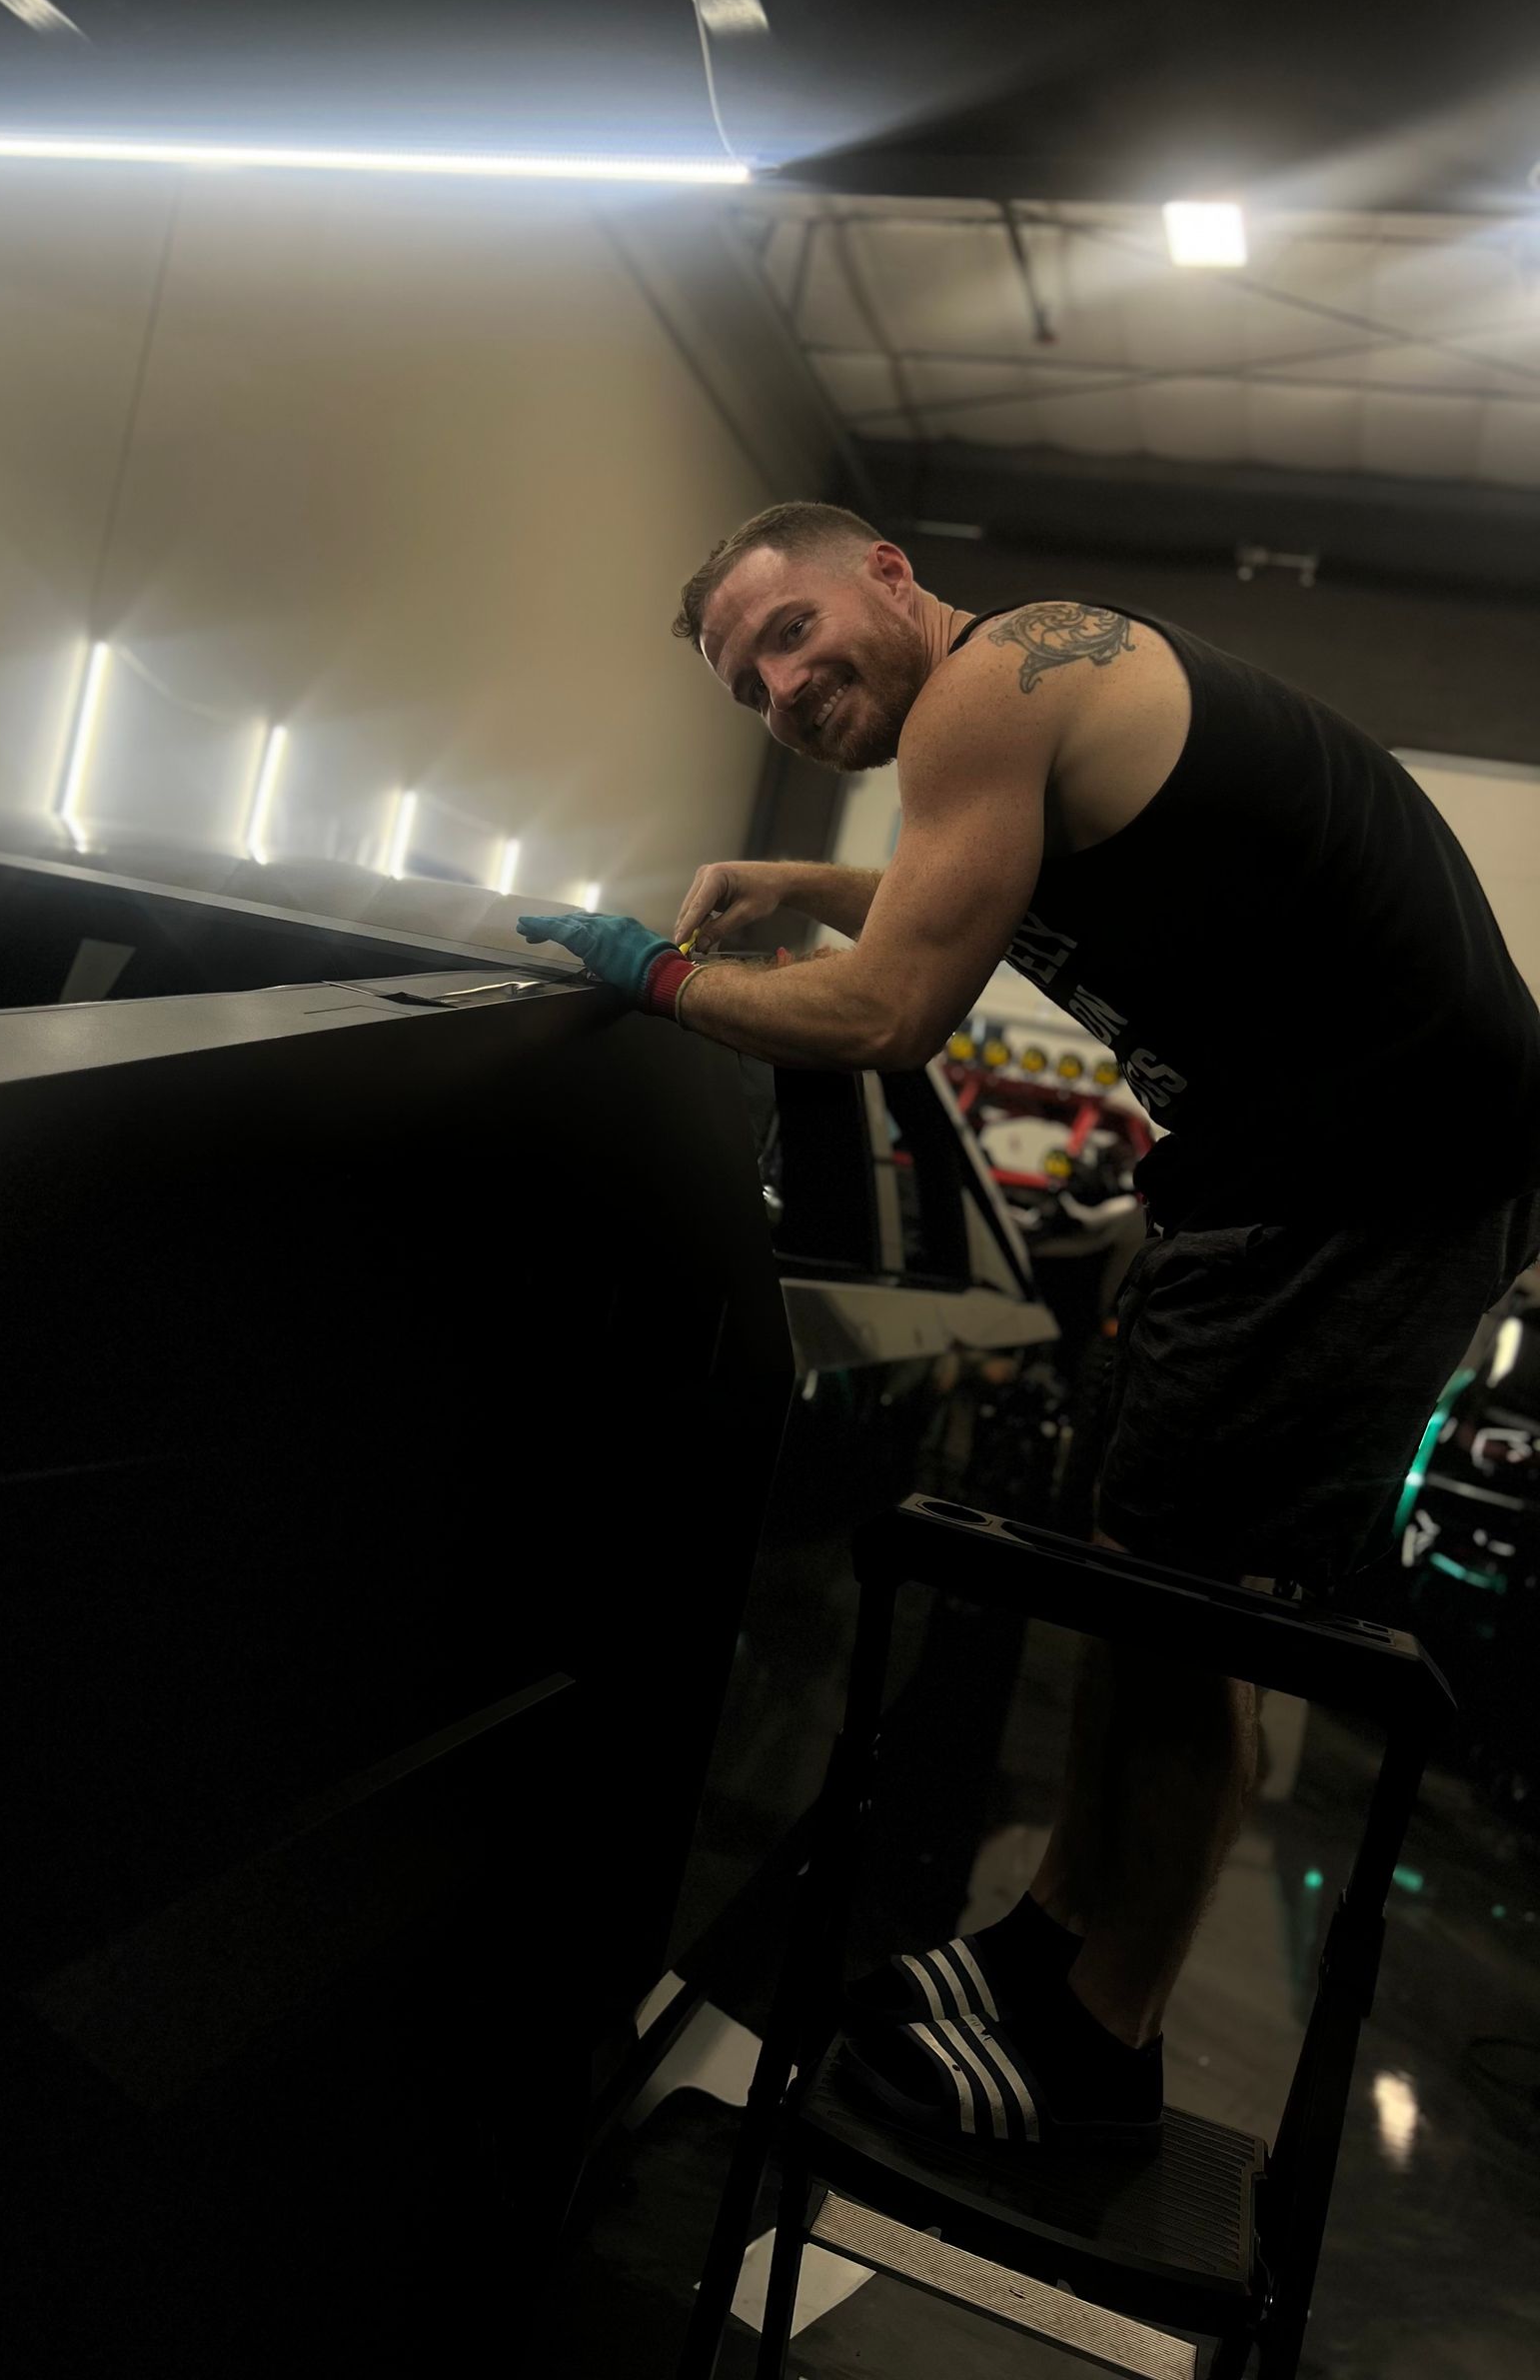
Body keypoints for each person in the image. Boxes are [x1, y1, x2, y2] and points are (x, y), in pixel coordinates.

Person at [517, 500, 1540, 2152]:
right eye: (749, 689)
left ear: (893, 579)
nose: (781, 692)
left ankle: (1100, 2042)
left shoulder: (998, 682)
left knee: (1192, 1601)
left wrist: (653, 977)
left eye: (791, 633)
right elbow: (969, 896)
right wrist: (801, 875)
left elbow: (890, 1008)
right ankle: (1057, 1930)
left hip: (1370, 1176)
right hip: (1300, 1169)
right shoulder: (1014, 719)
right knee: (1140, 1573)